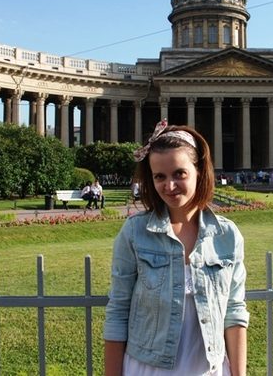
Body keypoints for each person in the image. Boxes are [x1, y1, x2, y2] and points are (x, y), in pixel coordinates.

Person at [104, 119, 249, 376]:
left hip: (209, 370)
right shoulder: (135, 233)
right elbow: (118, 312)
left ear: (199, 171)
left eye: (179, 173)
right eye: (159, 176)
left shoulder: (227, 235)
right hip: (147, 369)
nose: (169, 186)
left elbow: (234, 314)